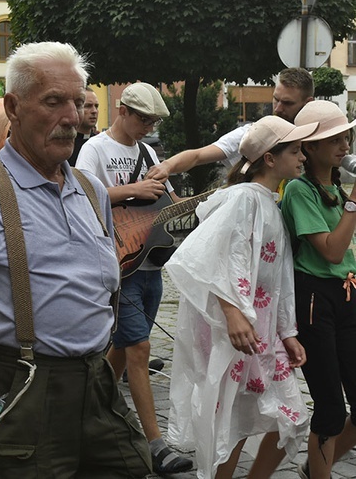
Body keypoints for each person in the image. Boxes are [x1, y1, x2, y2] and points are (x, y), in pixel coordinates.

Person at [0, 41, 152, 477]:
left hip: (96, 384)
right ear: (13, 106)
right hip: (18, 384)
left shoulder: (91, 190)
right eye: (53, 101)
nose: (71, 117)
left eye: (77, 101)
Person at [165, 115, 314, 478]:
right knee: (229, 425)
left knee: (280, 416)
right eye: (295, 151)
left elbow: (277, 280)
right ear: (269, 158)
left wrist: (287, 332)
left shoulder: (266, 202)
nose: (303, 158)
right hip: (234, 333)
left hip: (259, 333)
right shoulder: (243, 200)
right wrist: (232, 313)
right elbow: (207, 257)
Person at [75, 82, 192, 475]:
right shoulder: (94, 148)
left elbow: (169, 202)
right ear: (122, 110)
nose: (148, 126)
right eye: (143, 119)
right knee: (139, 348)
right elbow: (80, 196)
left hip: (150, 264)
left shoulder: (149, 151)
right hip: (116, 263)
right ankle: (154, 444)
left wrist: (196, 206)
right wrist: (133, 189)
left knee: (124, 350)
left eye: (153, 120)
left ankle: (85, 412)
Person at [280, 100, 356, 479]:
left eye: (346, 137)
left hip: (347, 295)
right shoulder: (298, 189)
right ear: (309, 148)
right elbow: (331, 251)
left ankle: (314, 468)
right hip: (315, 301)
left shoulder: (337, 188)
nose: (344, 146)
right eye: (334, 140)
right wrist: (355, 204)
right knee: (329, 408)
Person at [145, 68, 314, 183]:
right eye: (276, 99)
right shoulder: (255, 134)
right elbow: (198, 155)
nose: (277, 108)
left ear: (308, 103)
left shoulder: (320, 137)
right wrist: (167, 165)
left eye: (287, 103)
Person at [69, 87, 99, 166]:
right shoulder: (65, 144)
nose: (94, 111)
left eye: (96, 106)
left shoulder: (101, 144)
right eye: (88, 106)